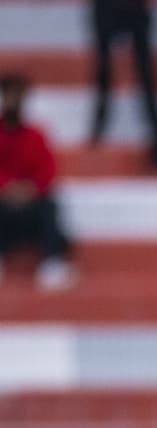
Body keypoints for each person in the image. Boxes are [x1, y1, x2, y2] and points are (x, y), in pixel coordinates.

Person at [0, 75, 73, 290]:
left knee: (50, 205)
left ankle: (52, 262)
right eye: (9, 95)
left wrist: (29, 189)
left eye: (17, 95)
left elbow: (47, 170)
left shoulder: (36, 134)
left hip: (32, 203)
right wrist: (7, 188)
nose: (13, 100)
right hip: (4, 203)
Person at [88, 0, 157, 168]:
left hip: (133, 7)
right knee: (104, 71)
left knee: (145, 75)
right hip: (110, 8)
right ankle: (97, 132)